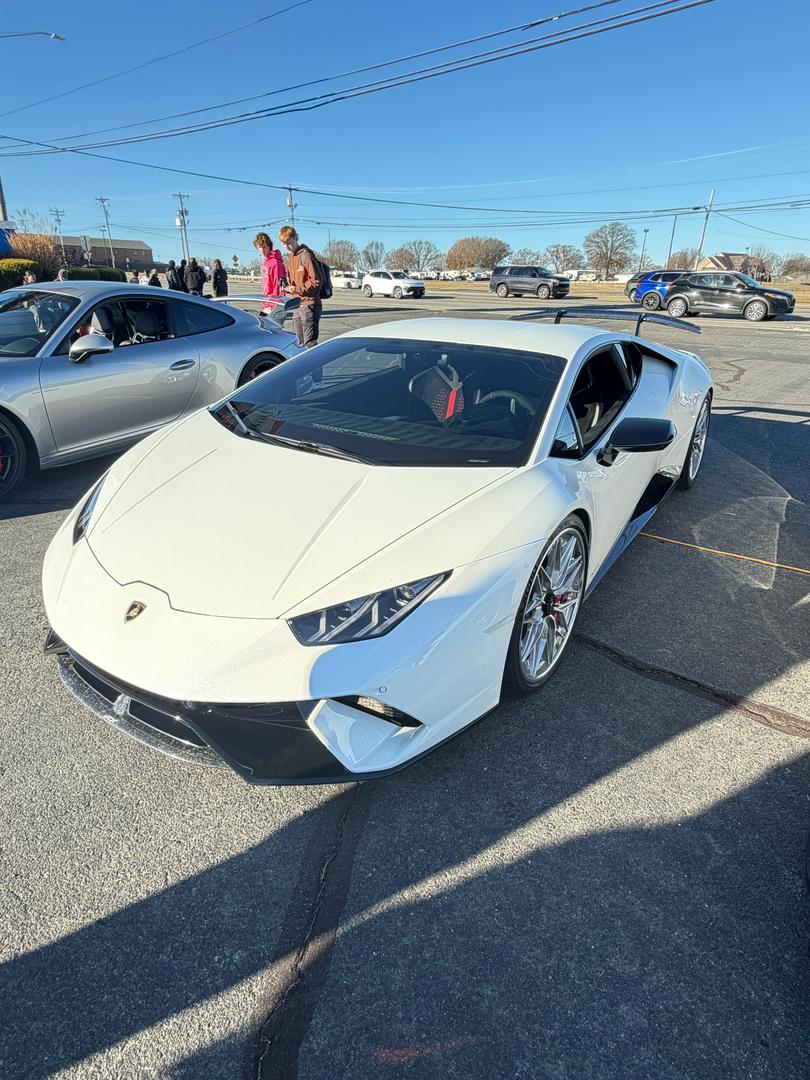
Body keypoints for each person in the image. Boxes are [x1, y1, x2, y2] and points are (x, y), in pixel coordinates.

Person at [278, 226, 321, 347]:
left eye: (289, 243)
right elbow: (295, 282)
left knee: (309, 343)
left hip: (309, 304)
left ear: (296, 238)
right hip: (297, 304)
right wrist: (286, 286)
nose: (287, 247)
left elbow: (316, 281)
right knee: (299, 343)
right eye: (284, 244)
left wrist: (297, 289)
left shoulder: (306, 255)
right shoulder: (291, 258)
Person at [253, 232, 286, 301]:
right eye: (260, 247)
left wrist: (276, 303)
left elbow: (278, 287)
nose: (262, 250)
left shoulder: (275, 263)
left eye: (264, 247)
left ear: (269, 246)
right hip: (266, 299)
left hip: (273, 302)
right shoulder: (266, 262)